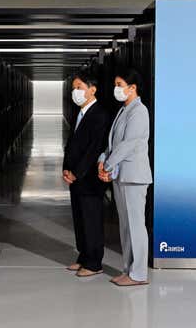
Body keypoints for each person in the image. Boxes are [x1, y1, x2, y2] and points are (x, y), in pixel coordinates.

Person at [98, 68, 152, 287]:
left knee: (136, 226)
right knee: (126, 226)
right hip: (122, 177)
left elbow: (128, 145)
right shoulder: (124, 110)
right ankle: (128, 270)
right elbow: (113, 143)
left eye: (120, 84)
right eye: (116, 84)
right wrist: (102, 160)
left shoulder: (139, 111)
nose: (116, 89)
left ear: (133, 88)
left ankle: (138, 274)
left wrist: (108, 166)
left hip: (134, 177)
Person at [63, 72, 110, 277]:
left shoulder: (99, 114)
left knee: (91, 220)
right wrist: (66, 168)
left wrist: (77, 173)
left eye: (79, 88)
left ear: (92, 89)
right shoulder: (79, 113)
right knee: (79, 218)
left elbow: (94, 149)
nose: (76, 92)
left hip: (89, 178)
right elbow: (71, 144)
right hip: (75, 177)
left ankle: (94, 263)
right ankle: (83, 256)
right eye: (74, 88)